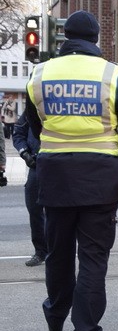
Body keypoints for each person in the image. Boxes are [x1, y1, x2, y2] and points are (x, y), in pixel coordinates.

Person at [23, 10, 118, 331]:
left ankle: (55, 314)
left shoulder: (41, 73)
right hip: (100, 180)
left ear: (65, 36)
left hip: (55, 177)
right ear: (95, 38)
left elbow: (34, 122)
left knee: (58, 253)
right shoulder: (110, 73)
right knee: (93, 260)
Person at [12, 112, 47, 266]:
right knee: (34, 209)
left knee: (60, 211)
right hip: (36, 165)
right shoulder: (31, 109)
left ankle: (58, 251)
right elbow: (18, 133)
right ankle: (40, 252)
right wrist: (24, 152)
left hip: (61, 164)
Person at [0, 96, 17, 188]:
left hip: (11, 119)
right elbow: (1, 144)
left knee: (11, 130)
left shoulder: (13, 102)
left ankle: (10, 136)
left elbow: (13, 108)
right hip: (7, 119)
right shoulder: (6, 103)